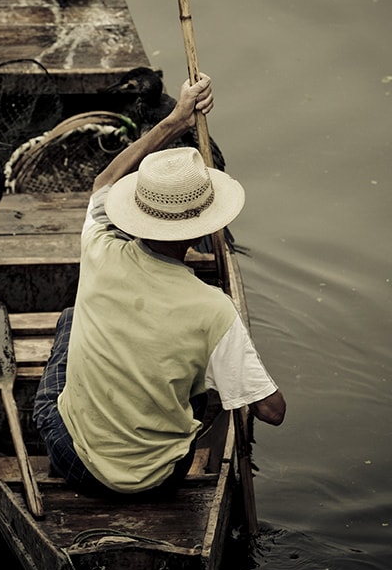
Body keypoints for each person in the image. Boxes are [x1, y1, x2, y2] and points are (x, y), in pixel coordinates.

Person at [33, 73, 285, 498]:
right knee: (200, 377)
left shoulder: (99, 248)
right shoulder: (214, 310)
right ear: (199, 228)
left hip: (75, 461)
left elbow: (102, 184)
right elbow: (272, 411)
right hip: (159, 478)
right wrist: (229, 375)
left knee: (71, 320)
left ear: (137, 213)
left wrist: (175, 119)